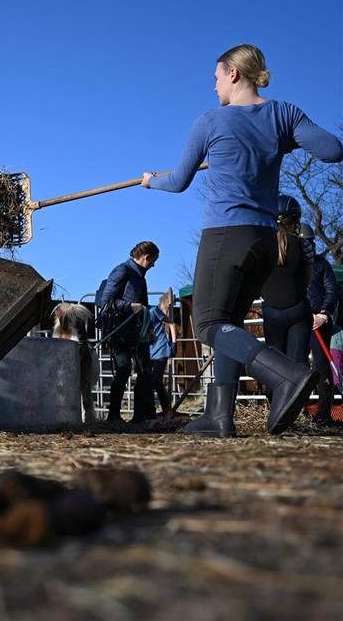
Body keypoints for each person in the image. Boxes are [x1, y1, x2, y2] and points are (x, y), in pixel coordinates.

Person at [142, 43, 343, 437]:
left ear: (233, 74)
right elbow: (333, 150)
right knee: (231, 324)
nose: (214, 86)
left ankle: (286, 375)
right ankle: (220, 417)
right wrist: (284, 140)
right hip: (265, 240)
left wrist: (152, 182)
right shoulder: (283, 113)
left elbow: (179, 181)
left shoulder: (210, 122)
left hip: (226, 235)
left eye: (216, 77)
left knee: (208, 325)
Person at [97, 241, 159, 423]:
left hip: (138, 330)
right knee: (123, 371)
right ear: (146, 257)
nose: (153, 265)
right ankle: (114, 415)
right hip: (120, 330)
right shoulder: (122, 271)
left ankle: (142, 416)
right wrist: (129, 306)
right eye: (153, 261)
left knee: (145, 370)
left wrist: (149, 328)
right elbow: (105, 301)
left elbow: (145, 305)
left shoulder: (140, 276)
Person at [260, 196, 312, 371]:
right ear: (295, 221)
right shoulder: (304, 245)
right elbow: (307, 280)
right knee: (298, 365)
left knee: (276, 366)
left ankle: (277, 397)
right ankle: (299, 397)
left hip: (271, 311)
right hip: (298, 308)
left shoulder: (263, 245)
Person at [301, 223, 339, 425]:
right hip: (298, 320)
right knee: (296, 363)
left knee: (322, 366)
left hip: (319, 321)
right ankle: (295, 412)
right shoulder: (291, 266)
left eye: (308, 243)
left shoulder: (321, 264)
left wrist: (323, 313)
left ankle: (324, 414)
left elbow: (331, 290)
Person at [148, 289, 178, 416]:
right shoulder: (152, 311)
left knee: (156, 381)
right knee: (150, 381)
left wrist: (174, 343)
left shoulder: (155, 312)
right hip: (151, 351)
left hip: (161, 350)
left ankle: (166, 408)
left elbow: (171, 322)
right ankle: (154, 409)